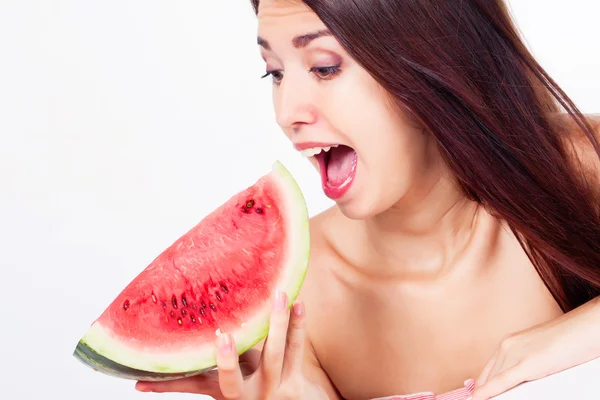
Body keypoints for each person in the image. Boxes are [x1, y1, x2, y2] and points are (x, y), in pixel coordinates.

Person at [134, 1, 600, 399]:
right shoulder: (292, 310)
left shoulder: (580, 169)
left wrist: (572, 337)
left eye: (324, 67)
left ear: (430, 60)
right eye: (274, 73)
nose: (286, 112)